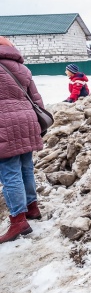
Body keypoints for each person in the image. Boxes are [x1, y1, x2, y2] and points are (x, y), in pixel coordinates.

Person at [0, 36, 46, 244]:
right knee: (26, 167)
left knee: (9, 172)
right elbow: (36, 99)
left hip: (4, 123)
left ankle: (18, 220)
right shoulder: (22, 69)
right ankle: (32, 207)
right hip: (27, 120)